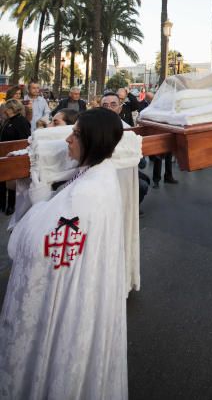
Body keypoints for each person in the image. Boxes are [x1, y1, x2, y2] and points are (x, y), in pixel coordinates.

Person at [0, 108, 128, 398]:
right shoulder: (96, 174)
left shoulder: (88, 193)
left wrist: (39, 200)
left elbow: (40, 248)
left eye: (76, 134)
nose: (68, 139)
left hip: (67, 307)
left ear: (94, 142)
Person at [0, 99, 31, 215]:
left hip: (14, 156)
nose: (4, 110)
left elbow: (24, 140)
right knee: (3, 180)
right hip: (4, 154)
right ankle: (2, 204)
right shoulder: (8, 121)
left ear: (12, 109)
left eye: (6, 108)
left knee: (12, 182)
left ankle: (11, 206)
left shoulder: (21, 121)